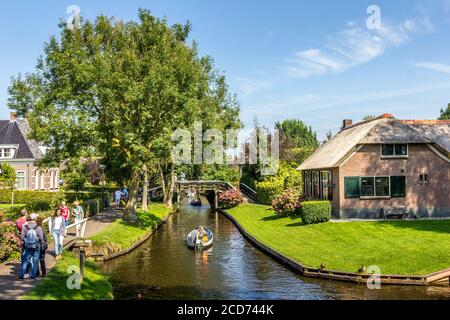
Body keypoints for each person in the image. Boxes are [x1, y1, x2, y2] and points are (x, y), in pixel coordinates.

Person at [19, 213, 44, 280]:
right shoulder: (38, 227)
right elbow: (41, 238)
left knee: (25, 260)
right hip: (36, 245)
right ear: (35, 219)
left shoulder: (25, 226)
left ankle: (22, 275)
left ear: (29, 218)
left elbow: (22, 237)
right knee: (35, 261)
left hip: (28, 245)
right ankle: (32, 276)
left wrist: (26, 241)